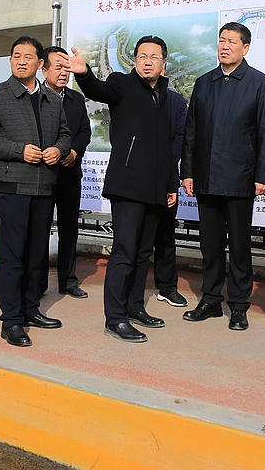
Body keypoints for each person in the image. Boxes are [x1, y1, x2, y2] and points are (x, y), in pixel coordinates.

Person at [60, 36, 179, 343]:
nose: (148, 62)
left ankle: (135, 307)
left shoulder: (166, 96)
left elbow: (167, 146)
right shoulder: (122, 84)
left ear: (164, 63)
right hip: (127, 185)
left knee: (143, 253)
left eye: (154, 57)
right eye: (142, 56)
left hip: (156, 188)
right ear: (134, 60)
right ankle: (115, 318)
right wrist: (84, 74)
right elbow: (99, 90)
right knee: (124, 252)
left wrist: (171, 184)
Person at [180, 22, 265, 331]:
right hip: (206, 178)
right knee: (209, 246)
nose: (224, 46)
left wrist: (263, 175)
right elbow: (191, 131)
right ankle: (210, 300)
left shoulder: (258, 83)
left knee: (239, 246)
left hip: (241, 178)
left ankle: (238, 306)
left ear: (245, 48)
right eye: (221, 40)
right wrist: (187, 172)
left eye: (232, 42)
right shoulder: (204, 82)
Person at [0, 37, 71, 347]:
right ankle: (11, 320)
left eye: (28, 57)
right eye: (16, 56)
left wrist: (59, 150)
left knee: (36, 253)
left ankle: (31, 309)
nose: (21, 61)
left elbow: (65, 135)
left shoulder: (53, 100)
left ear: (40, 64)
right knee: (12, 255)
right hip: (13, 185)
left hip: (45, 186)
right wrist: (19, 151)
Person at [40, 46, 92, 299]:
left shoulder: (76, 99)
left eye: (67, 68)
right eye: (58, 67)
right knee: (40, 229)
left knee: (69, 229)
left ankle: (68, 280)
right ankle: (38, 282)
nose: (63, 73)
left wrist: (73, 152)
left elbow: (84, 131)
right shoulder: (35, 97)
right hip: (43, 174)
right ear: (44, 69)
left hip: (70, 173)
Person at [153, 87, 188, 307]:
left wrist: (166, 174)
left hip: (167, 178)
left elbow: (180, 138)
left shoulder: (176, 101)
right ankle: (129, 290)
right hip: (136, 178)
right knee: (132, 239)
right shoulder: (131, 95)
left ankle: (166, 287)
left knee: (165, 235)